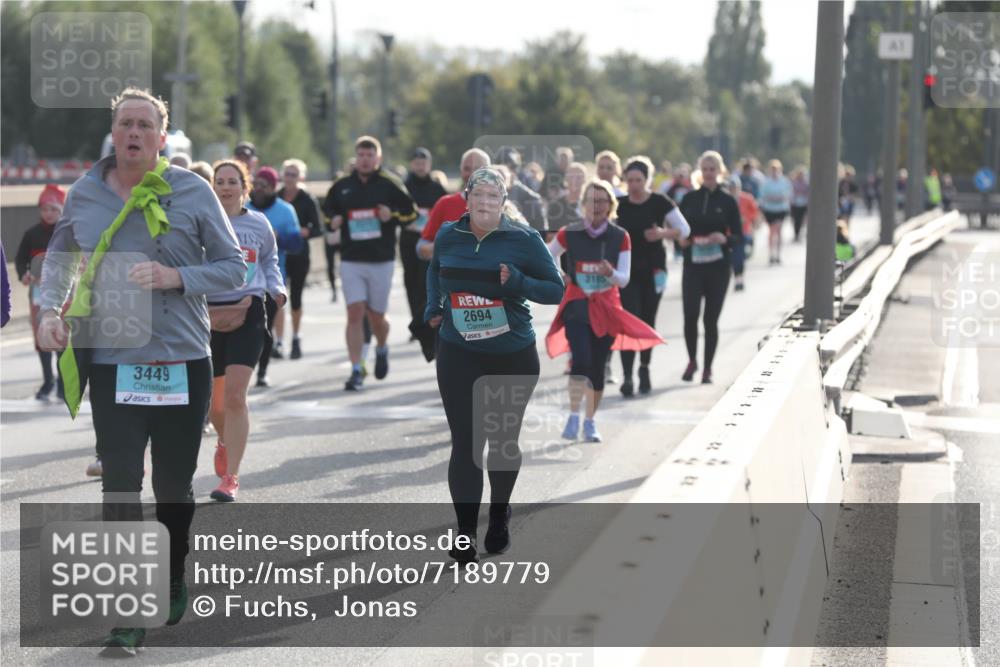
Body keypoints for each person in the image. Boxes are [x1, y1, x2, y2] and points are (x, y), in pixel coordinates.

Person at [35, 88, 245, 656]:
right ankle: (127, 615)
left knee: (173, 488)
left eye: (144, 125)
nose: (133, 133)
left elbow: (231, 269)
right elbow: (59, 259)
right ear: (114, 132)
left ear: (161, 134)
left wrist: (176, 278)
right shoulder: (84, 193)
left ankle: (173, 571)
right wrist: (51, 312)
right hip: (114, 360)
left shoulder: (191, 191)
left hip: (182, 358)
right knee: (121, 483)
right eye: (124, 124)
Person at [425, 166, 564, 563]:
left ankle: (500, 514)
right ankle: (466, 532)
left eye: (493, 197)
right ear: (466, 198)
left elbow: (557, 290)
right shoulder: (450, 234)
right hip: (458, 350)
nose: (485, 203)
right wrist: (432, 306)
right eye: (478, 195)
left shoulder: (524, 239)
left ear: (504, 203)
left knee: (502, 444)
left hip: (511, 354)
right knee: (467, 444)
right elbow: (435, 270)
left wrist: (519, 282)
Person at [545, 180, 663, 441]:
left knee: (598, 367)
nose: (596, 206)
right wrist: (560, 274)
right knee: (581, 361)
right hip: (577, 305)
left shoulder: (620, 236)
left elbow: (624, 279)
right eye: (592, 200)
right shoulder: (570, 232)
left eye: (602, 201)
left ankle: (590, 421)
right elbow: (547, 252)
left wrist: (611, 273)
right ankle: (574, 414)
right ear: (583, 204)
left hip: (607, 308)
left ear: (611, 205)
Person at [208, 159, 286, 502]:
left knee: (237, 395)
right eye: (220, 181)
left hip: (249, 309)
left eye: (232, 181)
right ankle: (223, 439)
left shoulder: (258, 223)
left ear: (245, 187)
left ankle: (231, 477)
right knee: (215, 404)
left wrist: (276, 289)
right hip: (207, 313)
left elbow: (269, 259)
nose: (226, 187)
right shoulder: (202, 223)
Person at [323, 135, 418, 390]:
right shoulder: (342, 185)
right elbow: (326, 211)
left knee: (377, 318)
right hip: (351, 259)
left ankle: (382, 347)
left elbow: (412, 214)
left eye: (370, 156)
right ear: (356, 158)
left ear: (378, 158)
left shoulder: (390, 184)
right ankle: (356, 368)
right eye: (361, 156)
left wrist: (392, 215)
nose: (365, 160)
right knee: (354, 313)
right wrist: (332, 221)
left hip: (381, 259)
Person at [614, 156, 690, 397]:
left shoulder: (659, 202)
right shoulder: (619, 204)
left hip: (654, 269)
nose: (634, 185)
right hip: (627, 271)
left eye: (639, 180)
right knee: (628, 321)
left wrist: (662, 233)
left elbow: (684, 229)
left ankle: (644, 368)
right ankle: (627, 374)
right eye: (630, 180)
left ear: (647, 180)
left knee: (648, 319)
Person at [678, 151, 742, 384]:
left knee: (710, 320)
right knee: (690, 315)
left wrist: (724, 239)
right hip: (693, 265)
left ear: (720, 172)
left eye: (712, 169)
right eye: (705, 169)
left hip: (718, 267)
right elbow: (679, 231)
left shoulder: (727, 201)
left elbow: (738, 235)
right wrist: (682, 241)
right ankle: (692, 360)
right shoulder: (689, 199)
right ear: (699, 172)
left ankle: (707, 368)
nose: (708, 173)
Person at [247, 166, 303, 385]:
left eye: (264, 186)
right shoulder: (244, 208)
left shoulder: (285, 210)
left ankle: (262, 371)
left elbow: (297, 244)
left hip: (272, 278)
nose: (259, 189)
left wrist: (277, 238)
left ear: (273, 187)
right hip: (244, 280)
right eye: (256, 185)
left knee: (265, 327)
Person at [16, 183, 67, 401]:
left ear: (62, 211)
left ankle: (65, 385)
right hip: (38, 294)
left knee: (61, 340)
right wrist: (23, 275)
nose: (49, 214)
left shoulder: (67, 233)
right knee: (42, 338)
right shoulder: (31, 234)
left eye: (54, 209)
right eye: (45, 209)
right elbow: (20, 259)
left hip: (65, 295)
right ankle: (48, 381)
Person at [277, 158, 323, 359]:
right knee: (276, 298)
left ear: (301, 177)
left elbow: (318, 229)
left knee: (295, 297)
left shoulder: (307, 199)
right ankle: (277, 340)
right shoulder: (275, 198)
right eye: (287, 174)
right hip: (277, 255)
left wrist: (304, 232)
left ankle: (295, 336)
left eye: (294, 175)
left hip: (299, 254)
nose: (290, 178)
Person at [402, 147, 447, 338]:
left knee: (426, 281)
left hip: (430, 242)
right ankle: (416, 321)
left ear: (429, 165)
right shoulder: (404, 188)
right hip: (409, 239)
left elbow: (446, 213)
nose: (420, 167)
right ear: (412, 165)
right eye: (417, 163)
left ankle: (429, 320)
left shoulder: (437, 189)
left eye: (424, 163)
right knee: (411, 281)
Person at [417, 148, 490, 260]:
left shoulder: (500, 206)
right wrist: (446, 244)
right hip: (449, 275)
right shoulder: (445, 203)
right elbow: (421, 247)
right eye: (466, 168)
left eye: (477, 168)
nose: (471, 173)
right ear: (460, 171)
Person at [496, 147, 548, 233]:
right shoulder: (483, 193)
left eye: (510, 168)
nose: (505, 172)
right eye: (501, 167)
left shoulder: (530, 199)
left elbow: (541, 232)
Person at [727, 176, 759, 292]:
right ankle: (732, 278)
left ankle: (739, 280)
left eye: (735, 187)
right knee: (730, 259)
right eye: (731, 187)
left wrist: (747, 219)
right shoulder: (725, 199)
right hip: (728, 234)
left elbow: (755, 212)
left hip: (742, 232)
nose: (733, 189)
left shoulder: (747, 198)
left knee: (740, 257)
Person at [759, 159, 792, 265]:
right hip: (769, 209)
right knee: (771, 232)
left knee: (778, 231)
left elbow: (789, 194)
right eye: (772, 169)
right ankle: (771, 254)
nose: (774, 171)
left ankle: (778, 254)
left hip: (781, 209)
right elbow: (762, 196)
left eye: (776, 169)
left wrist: (781, 198)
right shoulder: (766, 182)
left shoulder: (784, 181)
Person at [545, 162, 587, 240]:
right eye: (571, 176)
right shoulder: (555, 206)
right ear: (565, 179)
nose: (574, 180)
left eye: (578, 177)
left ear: (584, 179)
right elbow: (550, 236)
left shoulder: (590, 205)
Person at [790, 166, 809, 242]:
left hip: (803, 204)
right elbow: (792, 192)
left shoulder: (806, 183)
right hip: (795, 204)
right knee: (796, 220)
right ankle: (796, 234)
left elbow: (807, 192)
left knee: (801, 220)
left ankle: (799, 233)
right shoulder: (794, 182)